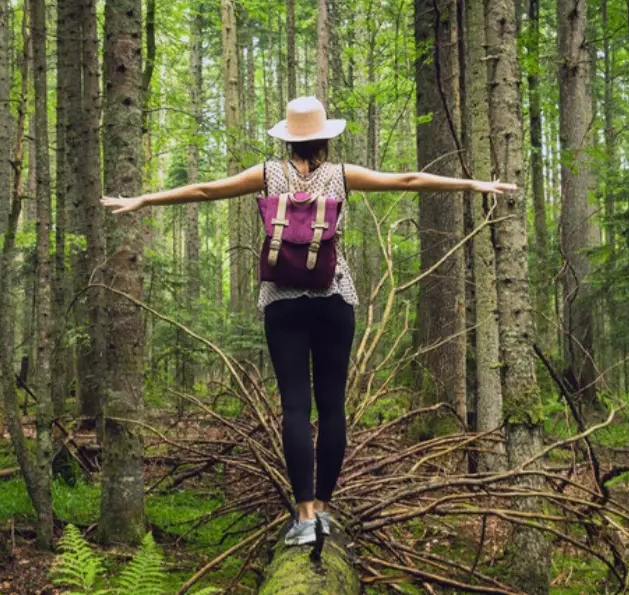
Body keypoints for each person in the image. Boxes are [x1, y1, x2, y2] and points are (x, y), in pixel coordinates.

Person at [101, 96, 517, 546]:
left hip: (282, 302)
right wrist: (474, 186)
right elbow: (409, 179)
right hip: (334, 297)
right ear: (325, 137)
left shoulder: (266, 174)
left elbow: (203, 190)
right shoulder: (340, 176)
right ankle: (323, 510)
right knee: (332, 406)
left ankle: (302, 517)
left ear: (287, 138)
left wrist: (143, 199)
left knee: (296, 407)